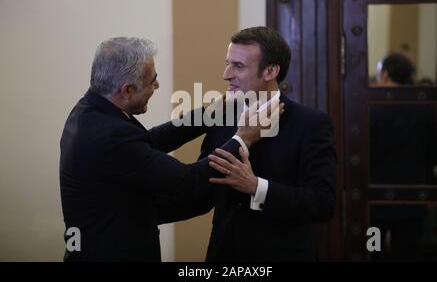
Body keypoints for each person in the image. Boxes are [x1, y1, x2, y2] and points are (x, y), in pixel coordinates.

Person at [59, 37, 279, 262]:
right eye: (152, 81)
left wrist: (210, 114)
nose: (157, 85)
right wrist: (243, 138)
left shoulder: (90, 109)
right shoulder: (109, 135)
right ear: (126, 90)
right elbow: (188, 181)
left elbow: (148, 141)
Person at [181, 26, 337, 261]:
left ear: (271, 70)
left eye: (239, 66)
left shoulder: (311, 124)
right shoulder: (220, 116)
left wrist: (257, 187)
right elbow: (204, 191)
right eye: (228, 63)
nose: (226, 74)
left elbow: (322, 204)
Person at [370, 53, 437, 261]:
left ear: (384, 75)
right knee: (408, 254)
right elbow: (435, 153)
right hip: (414, 197)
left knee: (372, 250)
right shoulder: (426, 110)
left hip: (374, 200)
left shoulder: (371, 109)